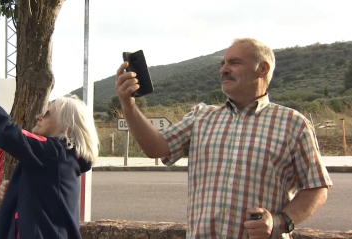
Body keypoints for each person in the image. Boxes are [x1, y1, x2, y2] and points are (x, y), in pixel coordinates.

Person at [115, 38, 333, 239]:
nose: (224, 69)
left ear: (262, 69)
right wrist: (129, 105)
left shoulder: (293, 123)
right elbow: (157, 148)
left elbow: (317, 188)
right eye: (223, 63)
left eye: (234, 63)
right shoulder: (201, 116)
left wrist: (279, 221)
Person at [0, 64, 99, 239]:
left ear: (66, 129)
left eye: (47, 113)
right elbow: (46, 201)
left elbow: (7, 133)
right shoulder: (60, 159)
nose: (39, 116)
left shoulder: (54, 151)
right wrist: (18, 191)